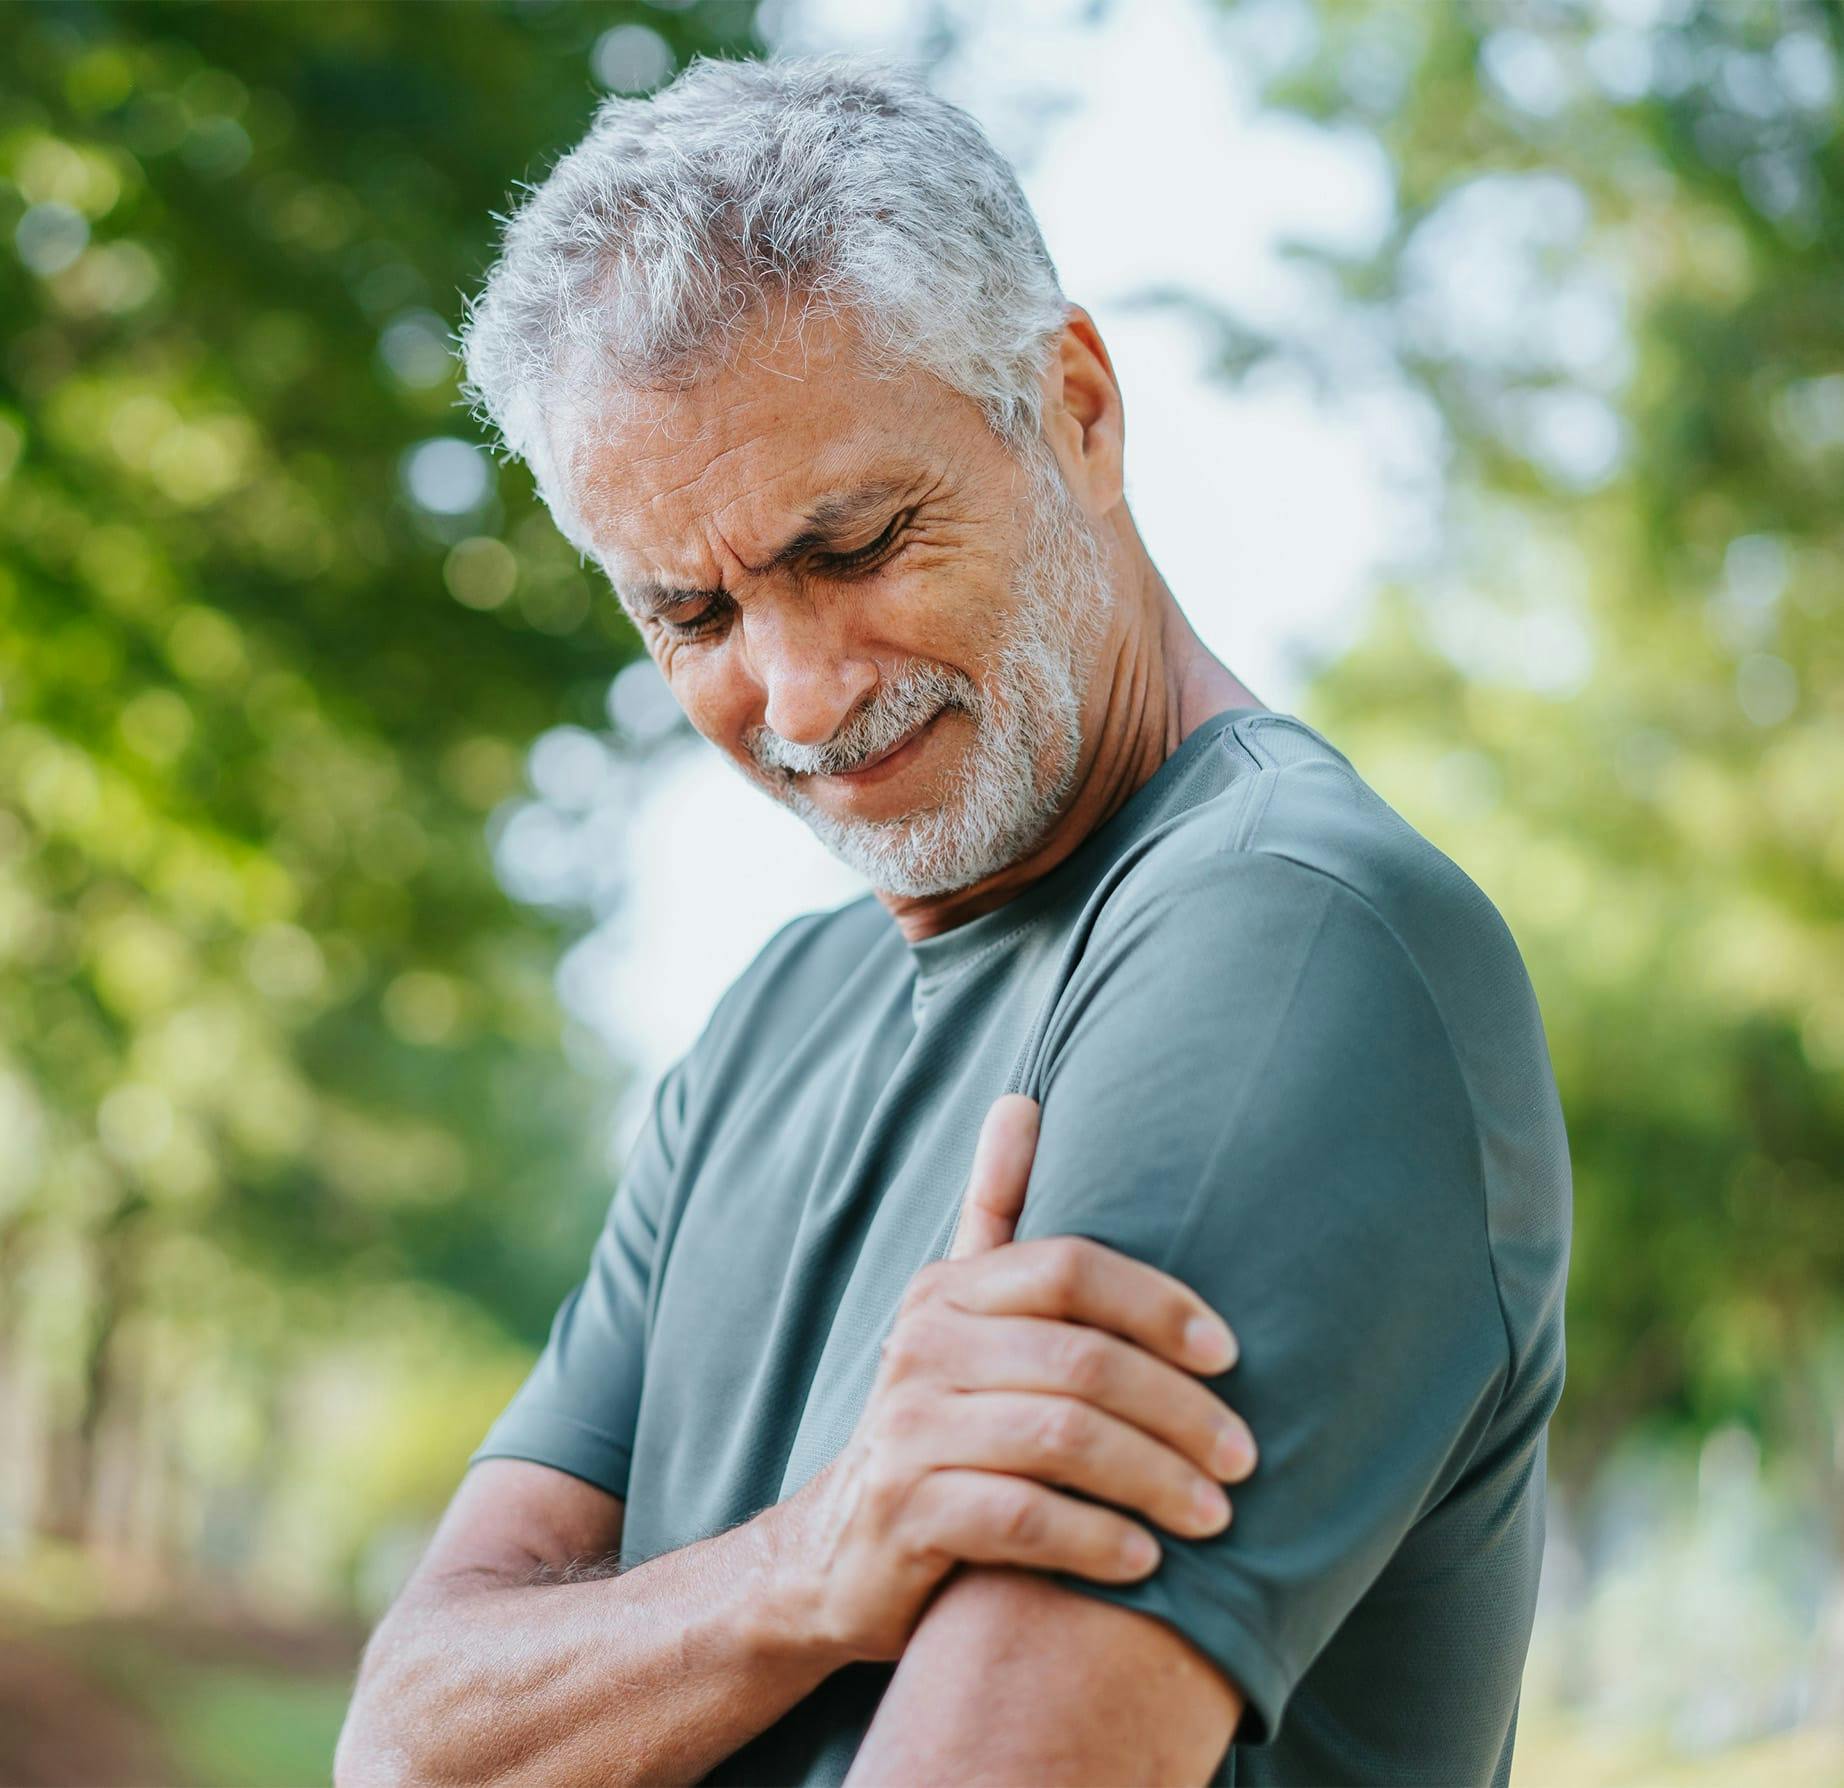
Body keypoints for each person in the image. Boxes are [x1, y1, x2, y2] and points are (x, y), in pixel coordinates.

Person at [335, 54, 1570, 1788]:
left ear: (1078, 410)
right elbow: (406, 1740)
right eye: (692, 614)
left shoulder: (1292, 945)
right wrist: (808, 1566)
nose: (799, 692)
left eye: (855, 546)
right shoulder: (774, 1016)